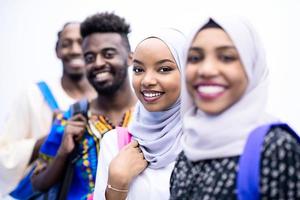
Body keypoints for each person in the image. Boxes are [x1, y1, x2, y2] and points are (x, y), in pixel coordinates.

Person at [169, 17, 300, 199]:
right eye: (195, 58)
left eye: (227, 57)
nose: (206, 70)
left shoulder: (275, 148)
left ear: (252, 67)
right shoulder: (188, 150)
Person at [30, 12, 137, 199]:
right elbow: (37, 182)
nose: (98, 63)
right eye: (89, 57)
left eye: (108, 54)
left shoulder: (151, 113)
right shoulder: (71, 117)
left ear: (130, 58)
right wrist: (63, 152)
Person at [0, 22, 95, 197]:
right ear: (57, 50)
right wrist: (53, 136)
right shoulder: (34, 95)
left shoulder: (103, 100)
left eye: (81, 43)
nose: (74, 50)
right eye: (66, 44)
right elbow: (4, 155)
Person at [93, 28, 186, 200]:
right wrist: (117, 184)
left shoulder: (202, 142)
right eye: (138, 69)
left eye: (164, 69)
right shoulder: (116, 144)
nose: (147, 81)